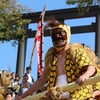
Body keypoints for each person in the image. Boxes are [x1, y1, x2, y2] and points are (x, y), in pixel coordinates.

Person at [15, 16, 100, 100]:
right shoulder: (51, 56)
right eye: (54, 34)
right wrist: (23, 96)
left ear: (67, 34)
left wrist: (85, 75)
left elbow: (91, 68)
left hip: (77, 96)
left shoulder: (76, 51)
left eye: (60, 33)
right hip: (56, 97)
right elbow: (41, 80)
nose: (58, 36)